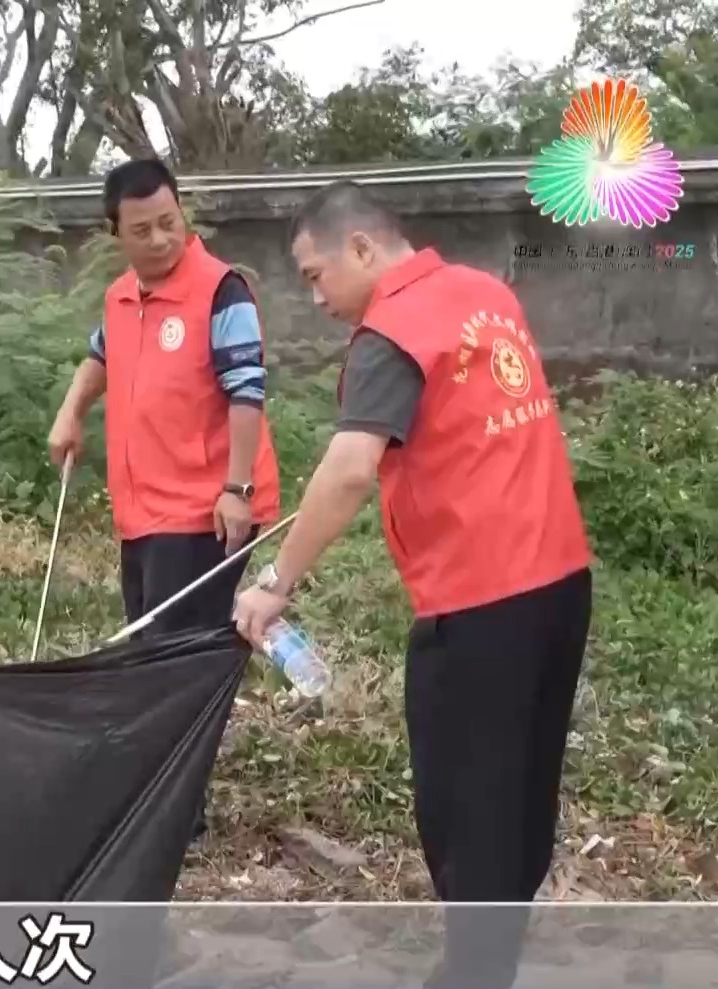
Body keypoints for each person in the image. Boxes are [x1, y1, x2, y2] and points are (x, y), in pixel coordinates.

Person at [232, 180, 593, 988]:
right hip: (561, 583)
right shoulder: (486, 294)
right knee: (522, 789)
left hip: (479, 601)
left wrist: (276, 582)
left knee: (464, 805)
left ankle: (476, 971)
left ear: (362, 248)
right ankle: (487, 962)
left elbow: (349, 469)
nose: (315, 297)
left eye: (316, 275)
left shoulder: (392, 331)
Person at [47, 158, 283, 636]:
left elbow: (247, 391)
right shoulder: (120, 297)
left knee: (174, 651)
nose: (159, 239)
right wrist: (70, 414)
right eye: (142, 230)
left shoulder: (221, 290)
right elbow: (100, 356)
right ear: (116, 232)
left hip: (204, 511)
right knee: (148, 644)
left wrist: (237, 490)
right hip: (142, 512)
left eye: (168, 222)